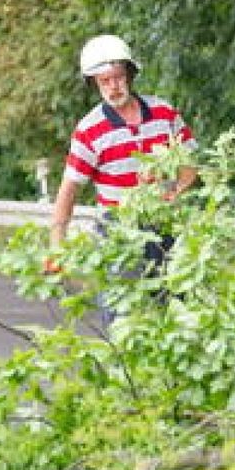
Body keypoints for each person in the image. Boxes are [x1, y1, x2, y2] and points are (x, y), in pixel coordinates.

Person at [46, 34, 198, 320]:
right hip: (118, 231)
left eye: (117, 77)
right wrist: (57, 247)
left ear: (129, 74)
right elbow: (68, 190)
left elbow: (190, 164)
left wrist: (177, 191)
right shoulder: (90, 130)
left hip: (165, 223)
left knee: (176, 310)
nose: (113, 87)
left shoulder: (163, 113)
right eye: (104, 81)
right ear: (94, 84)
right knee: (124, 315)